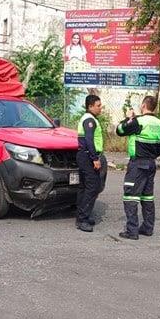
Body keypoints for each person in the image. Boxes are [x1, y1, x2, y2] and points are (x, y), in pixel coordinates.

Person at [115, 96, 160, 240]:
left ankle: (132, 231)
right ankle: (148, 228)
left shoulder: (139, 121)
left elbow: (120, 130)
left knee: (130, 196)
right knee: (147, 197)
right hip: (151, 164)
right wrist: (152, 155)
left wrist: (127, 118)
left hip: (137, 164)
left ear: (143, 105)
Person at [75, 95, 106, 232]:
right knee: (92, 187)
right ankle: (82, 219)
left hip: (84, 156)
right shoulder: (89, 120)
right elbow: (89, 140)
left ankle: (82, 216)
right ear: (90, 106)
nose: (100, 108)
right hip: (88, 157)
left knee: (84, 187)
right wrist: (95, 158)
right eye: (98, 105)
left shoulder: (89, 118)